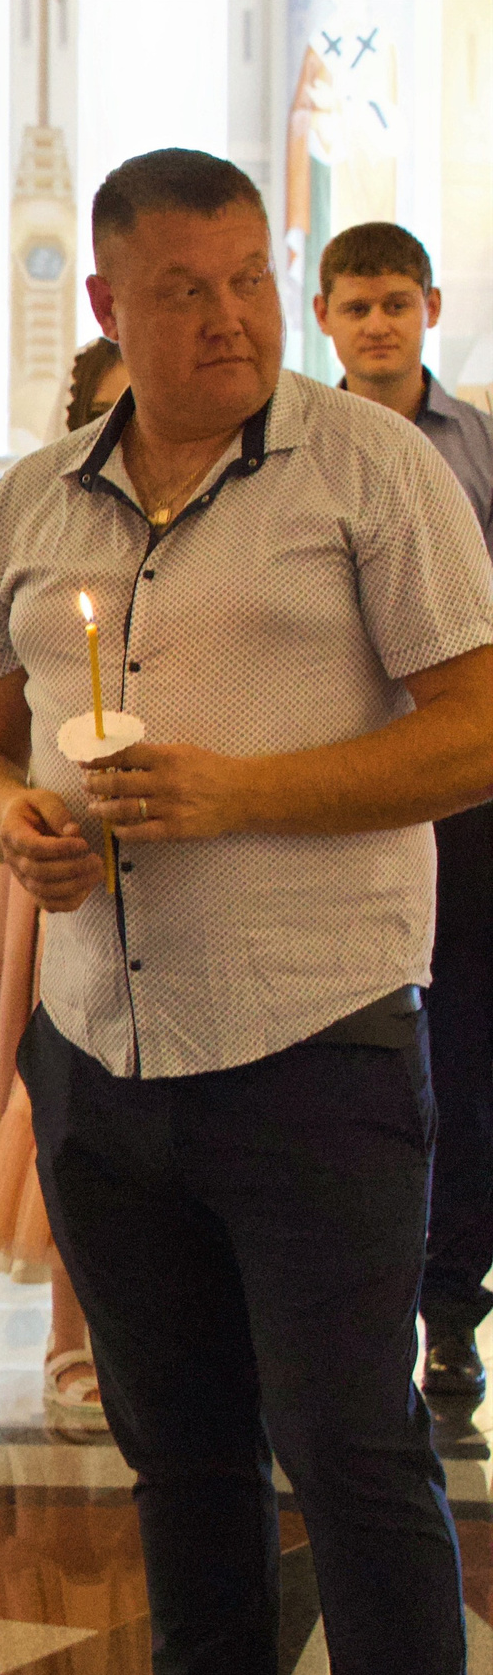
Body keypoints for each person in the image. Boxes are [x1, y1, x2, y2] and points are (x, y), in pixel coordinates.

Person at [0, 148, 493, 1675]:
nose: (233, 313)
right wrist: (3, 820)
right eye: (187, 288)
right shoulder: (32, 504)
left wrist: (238, 794)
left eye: (254, 276)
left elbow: (474, 730)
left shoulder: (372, 472)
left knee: (352, 1441)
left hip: (309, 1039)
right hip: (102, 1052)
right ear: (110, 307)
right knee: (179, 1454)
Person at [0, 334, 126, 1435]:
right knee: (62, 1089)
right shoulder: (34, 523)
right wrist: (12, 815)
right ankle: (73, 1333)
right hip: (54, 843)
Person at [314, 219, 493, 1402]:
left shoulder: (475, 443)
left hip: (463, 795)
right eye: (355, 305)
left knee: (468, 1043)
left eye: (395, 303)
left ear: (428, 306)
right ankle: (340, 1302)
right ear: (322, 314)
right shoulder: (292, 444)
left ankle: (448, 1304)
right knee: (355, 1040)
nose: (377, 324)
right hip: (335, 787)